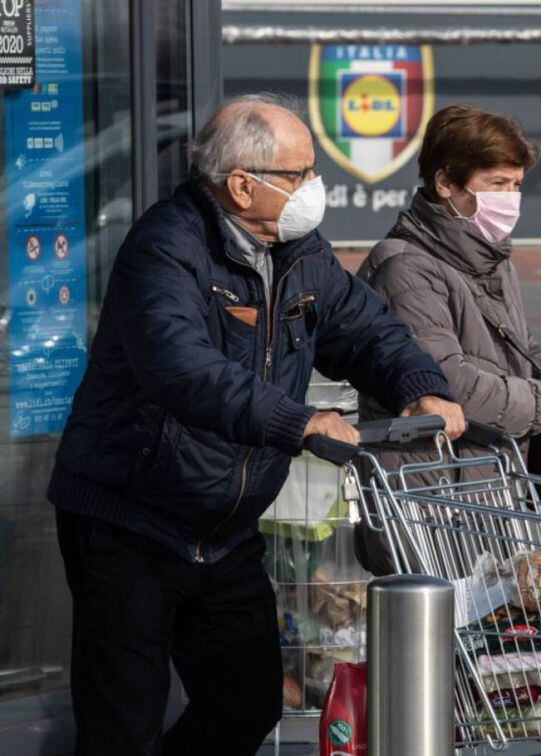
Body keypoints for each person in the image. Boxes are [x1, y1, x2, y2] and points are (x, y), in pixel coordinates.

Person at [48, 93, 465, 755]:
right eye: (300, 174)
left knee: (246, 701)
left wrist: (421, 387)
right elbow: (183, 370)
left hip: (224, 530)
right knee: (122, 724)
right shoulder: (166, 248)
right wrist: (299, 422)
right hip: (132, 522)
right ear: (242, 185)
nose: (314, 188)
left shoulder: (300, 250)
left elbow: (365, 331)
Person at [356, 105, 541, 487]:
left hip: (489, 479)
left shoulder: (493, 257)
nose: (510, 198)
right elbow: (449, 385)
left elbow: (518, 344)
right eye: (497, 183)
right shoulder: (406, 268)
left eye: (517, 185)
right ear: (445, 183)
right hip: (431, 489)